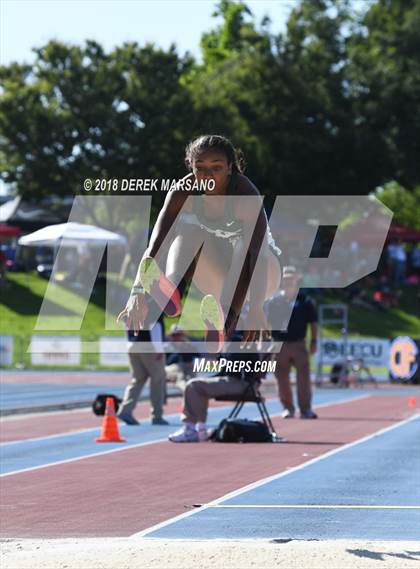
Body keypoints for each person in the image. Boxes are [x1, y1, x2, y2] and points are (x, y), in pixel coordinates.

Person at [118, 134, 283, 351]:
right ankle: (173, 292)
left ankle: (226, 320)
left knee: (243, 245)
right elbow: (155, 246)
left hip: (261, 274)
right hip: (217, 276)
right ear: (191, 167)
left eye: (216, 167)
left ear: (230, 168)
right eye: (200, 167)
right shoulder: (181, 192)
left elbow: (257, 253)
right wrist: (137, 292)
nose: (208, 175)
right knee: (187, 229)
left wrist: (256, 308)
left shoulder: (245, 195)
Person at [168, 340, 265, 442]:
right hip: (237, 381)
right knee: (196, 386)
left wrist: (226, 350)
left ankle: (191, 430)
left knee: (193, 386)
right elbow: (226, 370)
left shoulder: (240, 339)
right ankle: (199, 430)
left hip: (243, 383)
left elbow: (240, 367)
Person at [266, 266, 318, 419]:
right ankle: (288, 408)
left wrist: (314, 341)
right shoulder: (273, 301)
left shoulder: (305, 301)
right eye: (285, 278)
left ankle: (305, 409)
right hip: (279, 344)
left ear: (297, 280)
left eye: (291, 278)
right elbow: (266, 323)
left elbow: (313, 323)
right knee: (281, 379)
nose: (288, 281)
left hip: (298, 344)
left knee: (304, 378)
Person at [117, 299, 169, 426]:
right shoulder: (155, 305)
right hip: (148, 346)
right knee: (158, 379)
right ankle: (156, 415)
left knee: (137, 379)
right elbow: (155, 326)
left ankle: (125, 410)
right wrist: (159, 349)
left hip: (132, 344)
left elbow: (126, 325)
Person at [165, 324, 198, 392]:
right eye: (174, 335)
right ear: (171, 336)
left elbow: (197, 357)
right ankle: (187, 391)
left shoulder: (188, 346)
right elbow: (168, 362)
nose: (177, 337)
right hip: (173, 368)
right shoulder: (166, 347)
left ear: (182, 335)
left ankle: (194, 390)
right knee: (180, 376)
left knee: (192, 375)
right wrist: (179, 350)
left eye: (179, 335)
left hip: (187, 367)